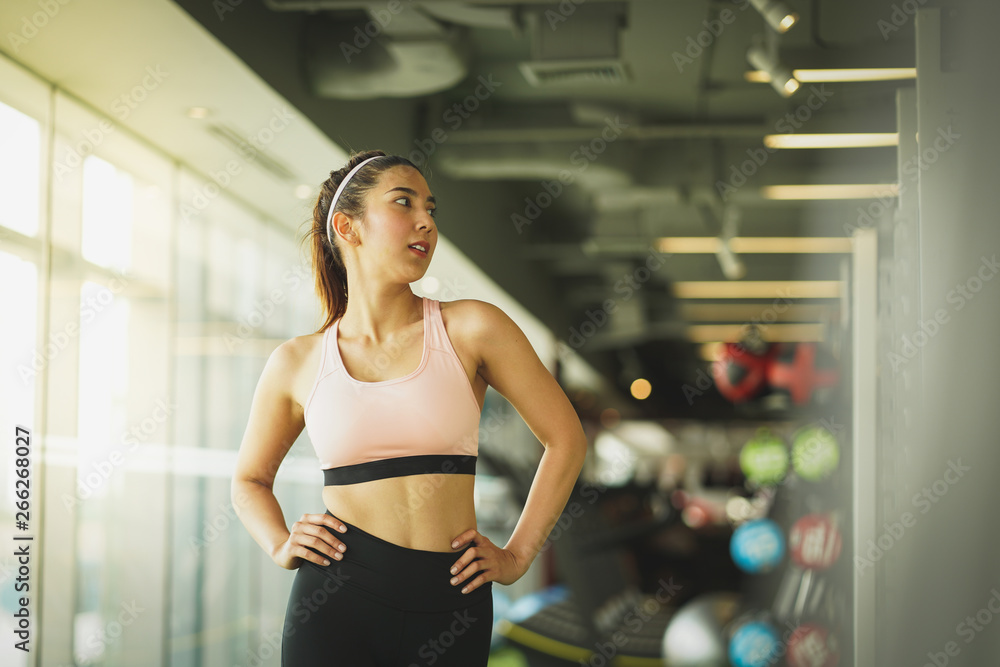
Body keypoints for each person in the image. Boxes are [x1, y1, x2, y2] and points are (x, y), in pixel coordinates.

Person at [231, 149, 589, 666]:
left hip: (450, 602)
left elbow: (566, 438)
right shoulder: (297, 362)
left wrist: (517, 555)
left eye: (432, 208)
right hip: (335, 600)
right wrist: (280, 542)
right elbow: (248, 480)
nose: (426, 221)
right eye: (404, 202)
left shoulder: (472, 328)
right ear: (347, 227)